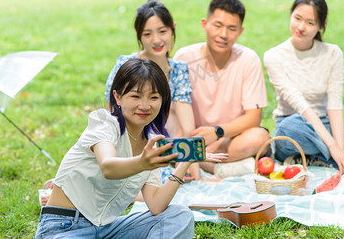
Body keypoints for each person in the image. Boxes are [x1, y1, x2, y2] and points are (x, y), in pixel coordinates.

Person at [35, 58, 226, 238]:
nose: (144, 105)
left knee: (179, 215)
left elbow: (156, 204)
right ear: (117, 97)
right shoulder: (104, 123)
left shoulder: (152, 141)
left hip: (107, 229)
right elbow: (108, 166)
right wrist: (143, 162)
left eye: (154, 97)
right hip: (65, 226)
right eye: (135, 96)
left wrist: (185, 162)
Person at [263, 0, 344, 174]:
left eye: (310, 23)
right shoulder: (273, 56)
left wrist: (339, 148)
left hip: (327, 128)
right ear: (290, 15)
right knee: (289, 127)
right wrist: (333, 147)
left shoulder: (332, 53)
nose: (301, 27)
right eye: (297, 18)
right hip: (296, 131)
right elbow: (300, 105)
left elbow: (335, 104)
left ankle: (323, 159)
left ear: (321, 26)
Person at [174, 0, 271, 177]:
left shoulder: (248, 60)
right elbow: (175, 113)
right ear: (205, 24)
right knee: (170, 138)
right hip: (192, 137)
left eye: (232, 28)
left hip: (227, 139)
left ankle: (202, 163)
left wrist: (217, 132)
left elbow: (253, 118)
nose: (223, 34)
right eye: (217, 26)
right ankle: (214, 165)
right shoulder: (184, 58)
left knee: (260, 137)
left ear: (240, 31)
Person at [105, 0, 199, 181]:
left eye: (162, 31)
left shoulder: (178, 69)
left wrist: (190, 157)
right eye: (147, 34)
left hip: (160, 142)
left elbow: (186, 120)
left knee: (179, 179)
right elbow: (112, 115)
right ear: (138, 35)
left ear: (173, 28)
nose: (156, 40)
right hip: (125, 139)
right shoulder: (125, 65)